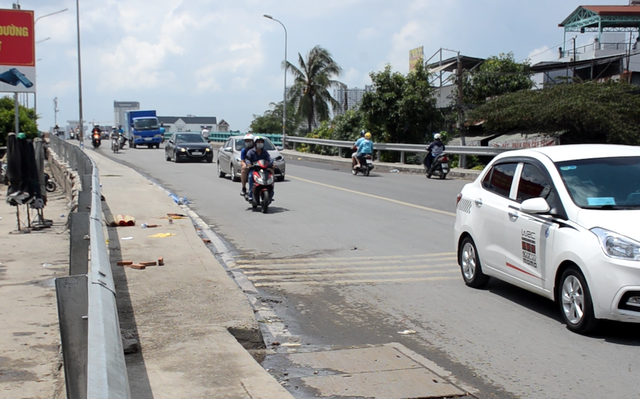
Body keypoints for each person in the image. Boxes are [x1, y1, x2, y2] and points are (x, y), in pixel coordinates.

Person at [244, 135, 273, 201]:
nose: (260, 144)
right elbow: (247, 159)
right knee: (251, 176)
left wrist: (272, 164)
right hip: (254, 170)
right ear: (255, 143)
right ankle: (251, 194)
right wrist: (249, 164)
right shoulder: (250, 152)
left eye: (261, 142)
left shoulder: (265, 152)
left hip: (264, 169)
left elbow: (269, 159)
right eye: (258, 142)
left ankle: (271, 192)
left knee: (271, 177)